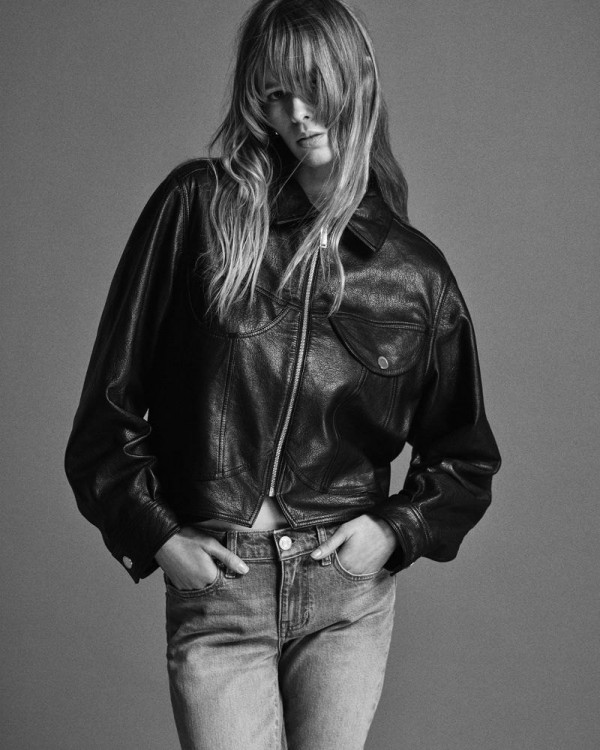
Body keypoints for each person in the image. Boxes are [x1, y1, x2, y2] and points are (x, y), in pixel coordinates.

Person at [65, 0, 501, 748]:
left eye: (313, 86)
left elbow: (466, 458)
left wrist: (393, 530)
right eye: (274, 94)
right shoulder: (198, 209)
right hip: (225, 586)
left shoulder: (416, 276)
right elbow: (107, 412)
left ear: (359, 79)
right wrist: (161, 537)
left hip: (345, 596)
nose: (297, 113)